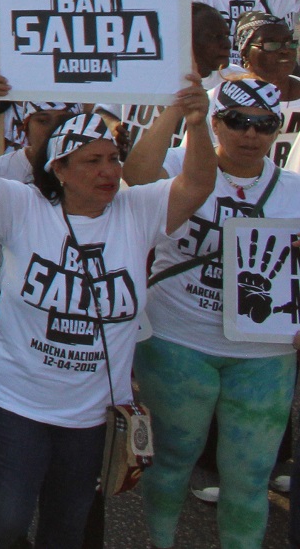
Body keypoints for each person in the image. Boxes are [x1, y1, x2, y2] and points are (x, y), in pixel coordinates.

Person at [0, 64, 213, 549]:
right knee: (7, 516)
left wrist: (195, 124)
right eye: (92, 161)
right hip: (16, 400)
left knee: (66, 529)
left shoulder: (137, 212)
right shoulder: (24, 207)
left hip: (90, 413)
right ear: (60, 170)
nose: (109, 172)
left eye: (113, 159)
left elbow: (196, 185)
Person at [124, 70, 300, 549]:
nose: (250, 133)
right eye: (237, 120)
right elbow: (134, 180)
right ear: (216, 123)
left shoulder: (294, 189)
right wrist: (179, 108)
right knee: (173, 461)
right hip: (178, 339)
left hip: (265, 354)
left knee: (248, 480)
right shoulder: (182, 163)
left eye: (264, 124)